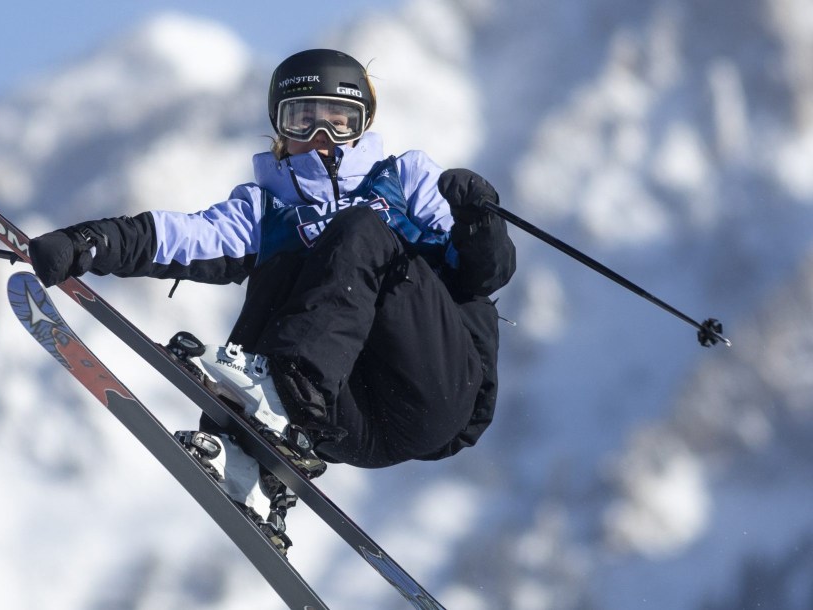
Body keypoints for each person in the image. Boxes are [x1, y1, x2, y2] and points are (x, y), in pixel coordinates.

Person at [28, 49, 516, 551]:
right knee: (280, 264)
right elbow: (186, 237)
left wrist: (480, 223)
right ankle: (252, 466)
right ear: (279, 128)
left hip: (435, 388)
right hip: (343, 422)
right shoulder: (267, 209)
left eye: (339, 121)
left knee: (360, 232)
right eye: (304, 119)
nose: (321, 139)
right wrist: (88, 240)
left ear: (364, 124)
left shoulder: (403, 181)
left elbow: (481, 276)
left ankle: (282, 398)